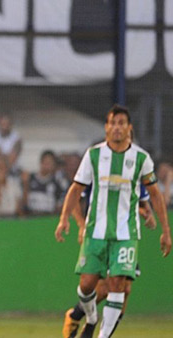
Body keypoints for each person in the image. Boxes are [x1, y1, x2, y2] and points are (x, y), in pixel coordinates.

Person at [55, 104, 171, 338]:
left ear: (129, 128)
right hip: (96, 231)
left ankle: (101, 335)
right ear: (107, 127)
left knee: (121, 286)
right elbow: (77, 190)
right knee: (88, 286)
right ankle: (87, 316)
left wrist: (161, 227)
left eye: (122, 123)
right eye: (113, 123)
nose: (117, 128)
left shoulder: (141, 159)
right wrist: (67, 220)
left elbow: (151, 195)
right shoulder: (94, 156)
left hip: (125, 234)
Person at [62, 184, 155, 338]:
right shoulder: (98, 165)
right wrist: (81, 224)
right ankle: (79, 317)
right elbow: (74, 196)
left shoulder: (136, 167)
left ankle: (93, 328)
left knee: (125, 290)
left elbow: (141, 203)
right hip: (100, 234)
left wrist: (146, 213)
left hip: (125, 236)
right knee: (104, 289)